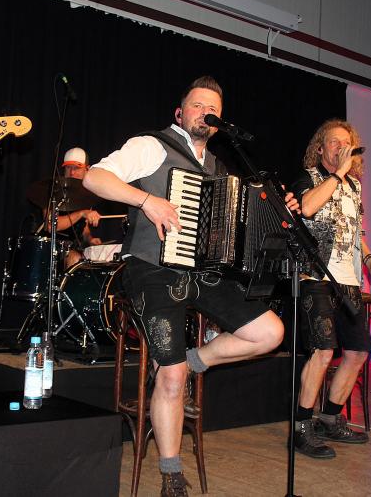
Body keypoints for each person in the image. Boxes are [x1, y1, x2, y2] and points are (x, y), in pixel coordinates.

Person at [83, 76, 295, 496]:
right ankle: (171, 472)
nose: (205, 112)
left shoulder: (218, 169)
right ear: (180, 114)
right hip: (152, 269)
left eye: (213, 108)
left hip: (201, 274)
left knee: (270, 332)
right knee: (172, 376)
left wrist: (276, 207)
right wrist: (147, 201)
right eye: (197, 105)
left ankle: (197, 359)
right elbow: (94, 178)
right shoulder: (152, 146)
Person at [289, 119, 371, 459]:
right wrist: (337, 174)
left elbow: (356, 232)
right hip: (316, 277)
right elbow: (307, 208)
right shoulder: (309, 178)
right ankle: (301, 427)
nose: (341, 147)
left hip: (348, 280)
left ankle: (329, 419)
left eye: (346, 142)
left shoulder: (354, 187)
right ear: (320, 148)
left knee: (359, 351)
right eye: (334, 142)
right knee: (322, 351)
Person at [42, 147, 102, 268]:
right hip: (50, 248)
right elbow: (51, 226)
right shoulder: (53, 191)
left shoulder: (87, 196)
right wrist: (81, 213)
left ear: (87, 169)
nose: (72, 173)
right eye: (68, 168)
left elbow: (83, 227)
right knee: (75, 259)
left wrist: (90, 239)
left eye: (77, 168)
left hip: (73, 247)